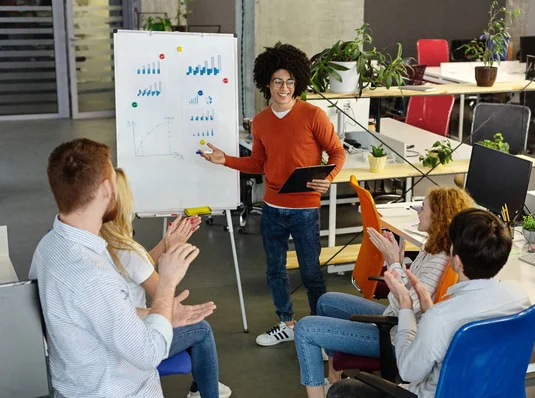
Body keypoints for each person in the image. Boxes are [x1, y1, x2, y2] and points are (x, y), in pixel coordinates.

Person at [30, 138, 215, 398]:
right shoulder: (93, 273)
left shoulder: (48, 247)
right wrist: (167, 283)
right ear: (107, 189)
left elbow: (91, 314)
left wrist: (157, 315)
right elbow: (149, 353)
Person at [200, 42, 346, 347]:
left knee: (310, 272)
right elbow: (257, 163)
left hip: (305, 208)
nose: (284, 87)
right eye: (278, 81)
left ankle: (322, 332)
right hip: (272, 208)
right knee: (275, 271)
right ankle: (286, 322)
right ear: (267, 83)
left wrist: (328, 178)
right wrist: (224, 159)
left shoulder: (313, 115)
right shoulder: (261, 121)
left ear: (298, 83)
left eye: (290, 81)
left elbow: (336, 152)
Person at [328, 208, 531, 398]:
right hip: (489, 390)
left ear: (457, 262)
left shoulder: (441, 318)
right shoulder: (519, 297)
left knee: (341, 390)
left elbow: (408, 370)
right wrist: (429, 311)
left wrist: (406, 307)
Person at [294, 187, 475, 398]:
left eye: (423, 207)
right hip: (395, 319)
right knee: (326, 302)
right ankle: (334, 378)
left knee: (305, 329)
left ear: (439, 215)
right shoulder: (431, 247)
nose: (417, 210)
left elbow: (406, 305)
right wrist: (396, 264)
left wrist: (394, 264)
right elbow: (408, 294)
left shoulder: (439, 260)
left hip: (398, 336)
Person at [100, 168, 231, 398]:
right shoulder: (128, 250)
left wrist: (166, 244)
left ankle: (201, 385)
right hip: (134, 345)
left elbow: (138, 266)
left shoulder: (101, 242)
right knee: (201, 329)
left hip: (108, 342)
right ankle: (206, 392)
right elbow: (164, 298)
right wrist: (171, 266)